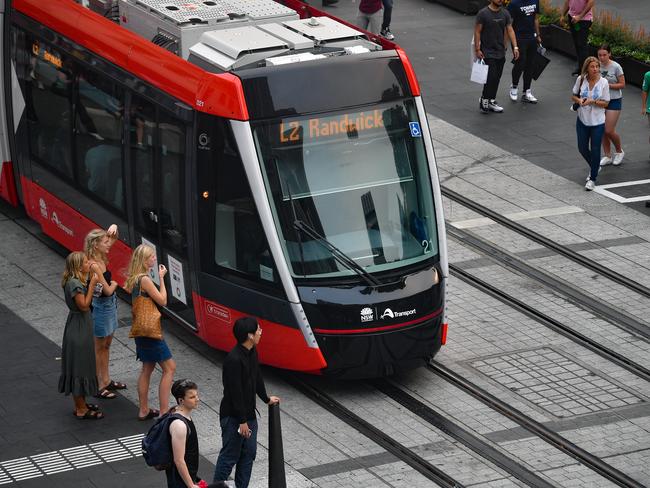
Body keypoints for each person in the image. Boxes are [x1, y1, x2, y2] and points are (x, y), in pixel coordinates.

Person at [213, 317, 280, 488]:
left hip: (248, 416)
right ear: (250, 335)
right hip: (234, 417)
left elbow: (256, 377)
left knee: (248, 455)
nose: (261, 332)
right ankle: (218, 486)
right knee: (229, 457)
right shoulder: (233, 359)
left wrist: (266, 398)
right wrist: (242, 421)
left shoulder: (252, 352)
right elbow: (235, 393)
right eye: (258, 329)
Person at [125, 244, 176, 420]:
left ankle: (144, 409)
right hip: (150, 331)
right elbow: (163, 300)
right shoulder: (145, 279)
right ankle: (164, 411)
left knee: (147, 368)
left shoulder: (135, 278)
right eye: (152, 257)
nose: (155, 259)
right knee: (169, 368)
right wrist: (162, 278)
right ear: (144, 260)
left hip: (140, 330)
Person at [59, 252, 103, 419]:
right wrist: (92, 286)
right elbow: (84, 305)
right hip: (79, 328)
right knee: (79, 366)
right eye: (85, 262)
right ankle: (81, 409)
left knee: (82, 365)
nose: (88, 264)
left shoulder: (73, 281)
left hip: (79, 325)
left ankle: (81, 402)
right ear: (78, 266)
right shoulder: (75, 284)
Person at [84, 225, 126, 399]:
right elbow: (108, 290)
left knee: (106, 345)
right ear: (95, 245)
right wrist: (116, 283)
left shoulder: (99, 255)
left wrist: (113, 229)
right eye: (104, 242)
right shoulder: (94, 265)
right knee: (99, 347)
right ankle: (98, 384)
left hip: (109, 306)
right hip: (100, 308)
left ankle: (106, 380)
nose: (108, 245)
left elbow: (113, 239)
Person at [571, 56, 610, 191]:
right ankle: (595, 166)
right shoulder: (581, 79)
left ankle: (592, 179)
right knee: (582, 147)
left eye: (597, 67)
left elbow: (606, 103)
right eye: (592, 67)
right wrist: (579, 101)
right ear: (587, 68)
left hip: (598, 122)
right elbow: (573, 95)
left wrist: (592, 101)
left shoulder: (603, 82)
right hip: (582, 120)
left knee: (595, 149)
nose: (595, 69)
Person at [474, 0, 519, 113]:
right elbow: (477, 31)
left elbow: (510, 30)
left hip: (500, 51)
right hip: (487, 51)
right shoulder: (483, 13)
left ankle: (491, 100)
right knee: (491, 77)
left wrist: (515, 47)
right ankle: (484, 99)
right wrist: (477, 49)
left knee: (497, 78)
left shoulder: (505, 13)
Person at [167, 379, 201, 488]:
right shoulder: (179, 425)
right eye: (192, 397)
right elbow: (179, 460)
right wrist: (190, 485)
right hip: (180, 480)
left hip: (188, 475)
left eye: (196, 395)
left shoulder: (183, 416)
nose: (197, 399)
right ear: (181, 400)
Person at [597, 44, 625, 167]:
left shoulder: (616, 67)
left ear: (609, 54)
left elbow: (622, 84)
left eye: (604, 55)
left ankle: (619, 151)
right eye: (600, 55)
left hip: (614, 100)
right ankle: (607, 155)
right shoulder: (596, 66)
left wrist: (607, 85)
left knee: (609, 130)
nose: (602, 57)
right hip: (601, 101)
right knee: (602, 130)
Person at [507, 0, 542, 103]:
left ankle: (527, 91)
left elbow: (535, 19)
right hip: (519, 38)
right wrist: (511, 43)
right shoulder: (514, 4)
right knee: (520, 63)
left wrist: (538, 35)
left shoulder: (535, 1)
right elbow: (509, 24)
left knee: (530, 64)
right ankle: (514, 86)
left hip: (531, 37)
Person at [560, 0, 594, 76]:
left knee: (582, 45)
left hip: (584, 20)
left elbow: (591, 2)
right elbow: (567, 1)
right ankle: (580, 67)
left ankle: (585, 71)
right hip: (572, 18)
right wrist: (563, 15)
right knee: (577, 44)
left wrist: (580, 16)